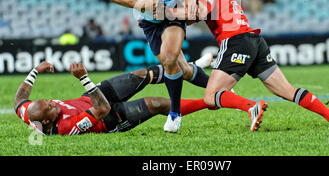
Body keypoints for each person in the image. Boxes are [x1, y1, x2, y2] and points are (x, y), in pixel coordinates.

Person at [170, 0, 329, 131]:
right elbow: (192, 18)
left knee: (211, 96)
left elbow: (198, 13)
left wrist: (163, 12)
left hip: (236, 41)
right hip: (255, 41)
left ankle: (252, 107)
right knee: (287, 90)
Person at [104, 0, 212, 133]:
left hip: (172, 19)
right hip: (149, 24)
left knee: (170, 58)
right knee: (182, 70)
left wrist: (188, 6)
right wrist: (137, 3)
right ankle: (216, 85)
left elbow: (188, 0)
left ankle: (175, 113)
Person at [14, 59, 214, 136]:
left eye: (48, 101)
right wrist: (84, 77)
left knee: (142, 75)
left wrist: (35, 70)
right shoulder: (65, 127)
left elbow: (19, 100)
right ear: (47, 121)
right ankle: (210, 101)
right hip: (109, 118)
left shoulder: (30, 114)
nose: (52, 102)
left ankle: (188, 67)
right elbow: (103, 110)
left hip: (92, 98)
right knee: (158, 104)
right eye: (50, 107)